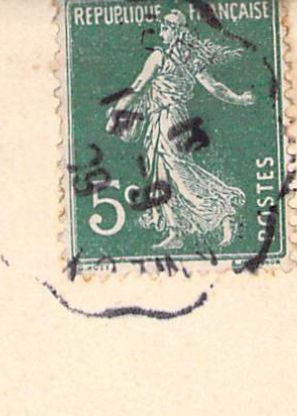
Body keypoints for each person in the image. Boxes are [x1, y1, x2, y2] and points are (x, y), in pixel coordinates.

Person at [109, 10, 255, 249]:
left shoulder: (161, 56)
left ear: (178, 31)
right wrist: (238, 99)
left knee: (179, 172)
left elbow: (138, 85)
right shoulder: (189, 58)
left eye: (167, 26)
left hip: (170, 118)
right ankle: (174, 231)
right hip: (162, 118)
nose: (162, 30)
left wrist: (117, 110)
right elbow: (215, 87)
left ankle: (223, 208)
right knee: (160, 173)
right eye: (163, 26)